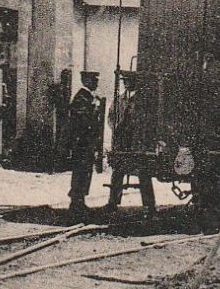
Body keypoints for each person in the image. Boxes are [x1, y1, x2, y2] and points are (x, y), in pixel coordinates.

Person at [105, 73, 156, 212]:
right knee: (118, 171)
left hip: (137, 141)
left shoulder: (143, 100)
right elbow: (110, 116)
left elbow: (148, 120)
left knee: (143, 172)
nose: (126, 83)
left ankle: (149, 205)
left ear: (135, 82)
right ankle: (113, 202)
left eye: (129, 81)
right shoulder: (119, 99)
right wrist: (114, 127)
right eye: (125, 81)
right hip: (121, 141)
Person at [66, 71, 103, 215]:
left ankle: (79, 201)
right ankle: (76, 201)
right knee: (81, 171)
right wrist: (94, 110)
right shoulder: (82, 98)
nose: (96, 83)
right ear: (86, 81)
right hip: (82, 142)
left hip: (87, 142)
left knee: (85, 171)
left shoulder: (88, 97)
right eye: (94, 80)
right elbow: (82, 121)